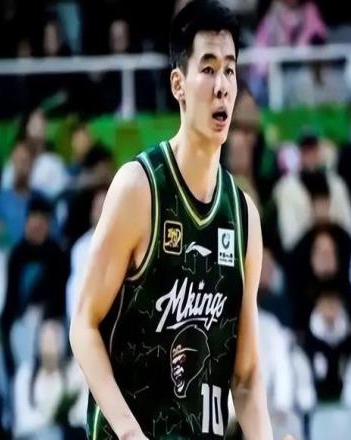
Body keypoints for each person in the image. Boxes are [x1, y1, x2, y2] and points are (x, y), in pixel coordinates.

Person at [70, 1, 274, 439]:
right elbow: (83, 325)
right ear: (178, 84)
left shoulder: (244, 218)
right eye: (208, 68)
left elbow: (245, 378)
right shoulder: (139, 188)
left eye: (230, 70)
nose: (222, 86)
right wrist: (128, 432)